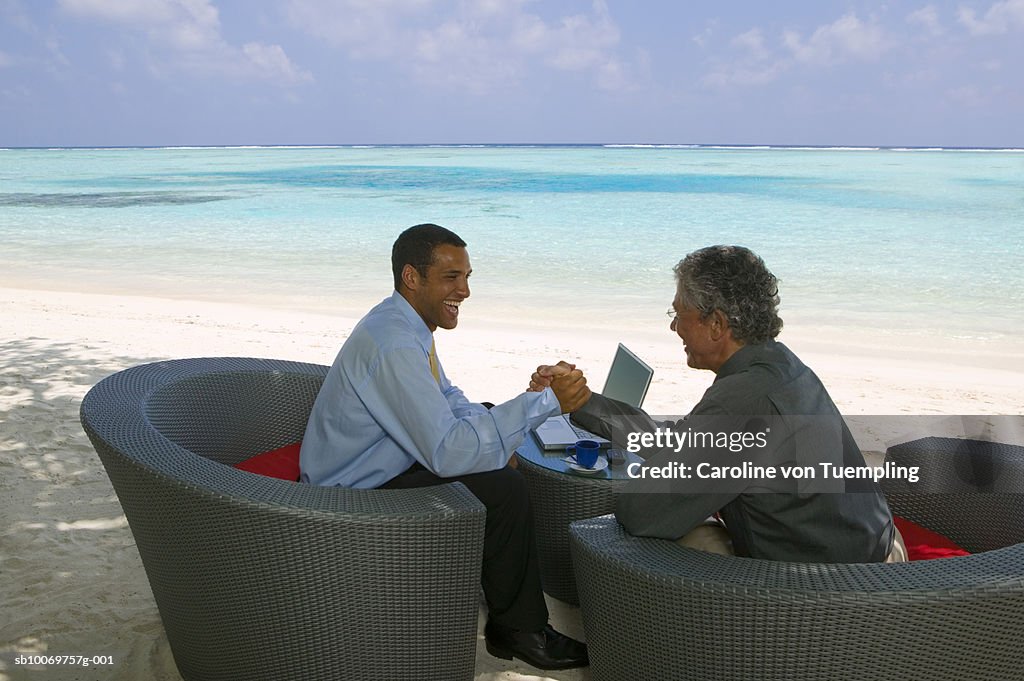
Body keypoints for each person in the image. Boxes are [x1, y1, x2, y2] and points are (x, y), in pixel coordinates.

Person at [300, 223, 590, 670]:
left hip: (388, 457)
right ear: (411, 277)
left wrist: (522, 410)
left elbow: (448, 398)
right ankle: (520, 631)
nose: (465, 291)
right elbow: (447, 452)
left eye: (468, 277)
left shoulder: (404, 323)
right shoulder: (394, 343)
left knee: (490, 427)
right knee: (504, 488)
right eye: (452, 278)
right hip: (351, 488)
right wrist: (543, 405)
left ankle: (508, 604)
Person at [533, 245, 906, 563]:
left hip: (841, 588)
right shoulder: (778, 364)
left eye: (678, 314)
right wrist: (584, 403)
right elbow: (684, 443)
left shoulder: (746, 398)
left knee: (664, 538)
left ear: (716, 324)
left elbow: (641, 513)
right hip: (874, 545)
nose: (674, 327)